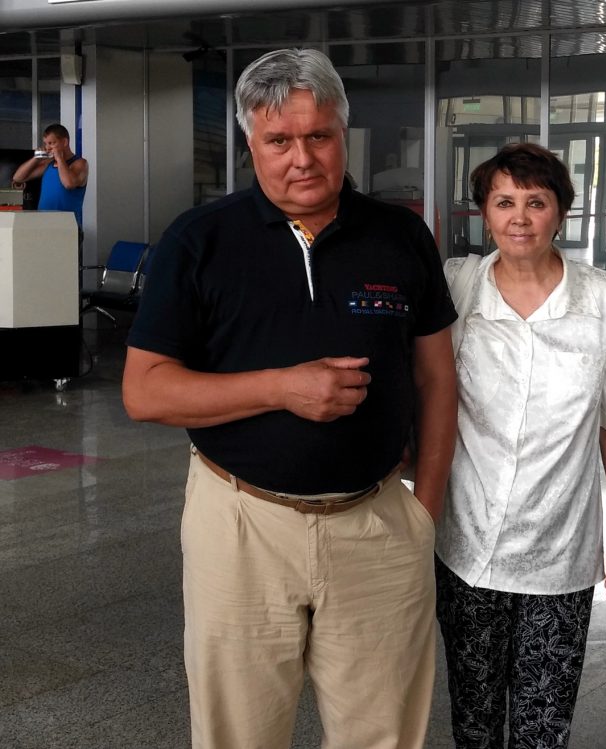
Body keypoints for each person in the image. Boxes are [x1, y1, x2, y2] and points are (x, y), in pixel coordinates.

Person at [121, 48, 457, 749]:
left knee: (385, 735)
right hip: (242, 525)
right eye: (279, 140)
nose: (302, 157)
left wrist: (423, 508)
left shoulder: (399, 236)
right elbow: (144, 391)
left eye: (318, 136)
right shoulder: (200, 240)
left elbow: (436, 377)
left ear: (342, 132)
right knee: (239, 735)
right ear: (251, 146)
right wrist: (282, 387)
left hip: (376, 524)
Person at [435, 142, 606, 748]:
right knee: (474, 720)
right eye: (504, 202)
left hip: (560, 549)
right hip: (469, 542)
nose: (519, 218)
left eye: (536, 202)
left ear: (562, 213)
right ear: (484, 213)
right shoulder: (459, 288)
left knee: (543, 724)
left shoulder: (605, 299)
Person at [12, 123, 88, 228]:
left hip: (67, 226)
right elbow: (18, 178)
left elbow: (69, 184)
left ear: (65, 142)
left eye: (51, 143)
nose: (48, 148)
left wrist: (60, 158)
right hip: (44, 224)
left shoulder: (80, 163)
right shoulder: (49, 164)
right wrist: (36, 158)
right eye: (46, 144)